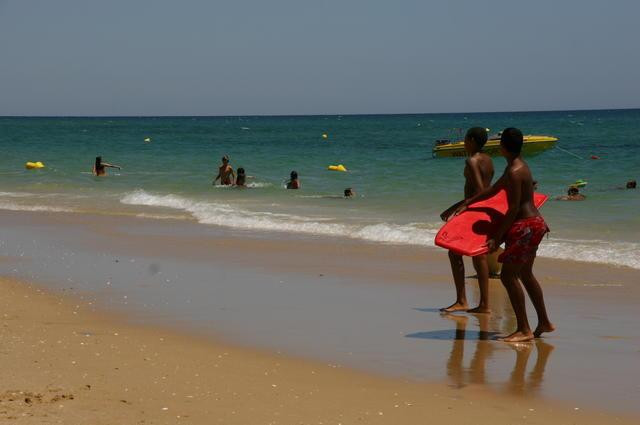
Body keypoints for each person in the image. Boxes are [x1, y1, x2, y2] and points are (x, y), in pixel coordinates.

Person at [455, 128, 555, 342]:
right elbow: (493, 191)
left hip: (525, 226)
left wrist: (496, 237)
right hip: (536, 223)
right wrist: (468, 202)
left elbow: (512, 209)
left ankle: (524, 329)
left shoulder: (513, 171)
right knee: (526, 275)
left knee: (509, 277)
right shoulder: (518, 167)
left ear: (502, 147)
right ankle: (544, 322)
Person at [440, 127, 494, 314]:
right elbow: (487, 190)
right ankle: (485, 304)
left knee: (454, 254)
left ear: (471, 139)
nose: (463, 142)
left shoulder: (472, 161)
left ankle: (461, 300)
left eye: (465, 138)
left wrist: (459, 207)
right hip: (485, 211)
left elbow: (479, 191)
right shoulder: (488, 160)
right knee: (479, 256)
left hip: (472, 211)